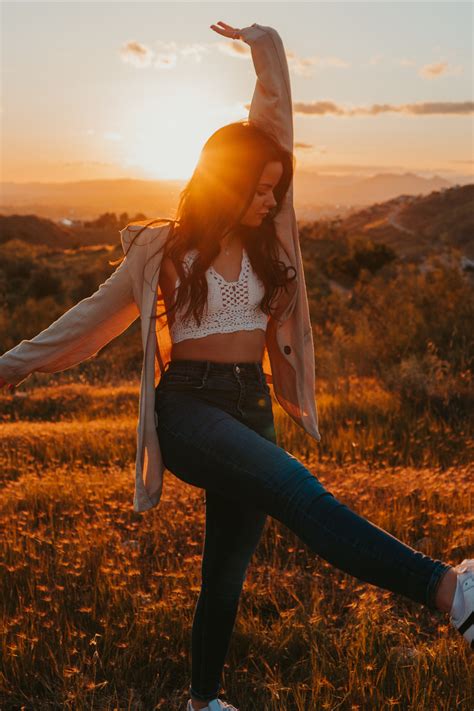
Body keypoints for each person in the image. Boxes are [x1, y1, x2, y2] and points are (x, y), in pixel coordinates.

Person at [0, 19, 472, 711]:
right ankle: (449, 588)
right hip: (189, 408)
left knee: (226, 568)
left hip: (251, 404)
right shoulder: (161, 249)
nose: (269, 199)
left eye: (276, 189)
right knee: (298, 492)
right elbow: (87, 321)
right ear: (225, 181)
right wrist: (9, 366)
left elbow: (273, 127)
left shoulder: (267, 240)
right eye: (258, 189)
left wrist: (265, 47)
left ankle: (202, 699)